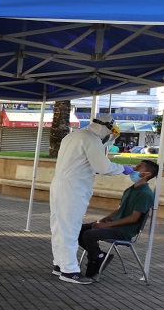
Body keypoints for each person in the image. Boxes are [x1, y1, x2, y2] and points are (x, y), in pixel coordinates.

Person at [50, 114, 134, 284]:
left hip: (60, 186)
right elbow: (102, 167)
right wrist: (123, 169)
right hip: (74, 189)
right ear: (106, 128)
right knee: (70, 229)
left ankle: (59, 264)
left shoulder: (73, 135)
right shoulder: (91, 140)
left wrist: (108, 144)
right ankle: (69, 270)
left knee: (59, 226)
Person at [78, 159, 157, 281]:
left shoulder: (145, 194)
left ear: (147, 174)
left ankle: (94, 265)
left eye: (139, 167)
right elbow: (118, 210)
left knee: (89, 235)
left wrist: (105, 226)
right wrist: (102, 221)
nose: (134, 168)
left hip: (124, 231)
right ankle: (100, 255)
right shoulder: (130, 189)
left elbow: (133, 218)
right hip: (113, 226)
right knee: (79, 230)